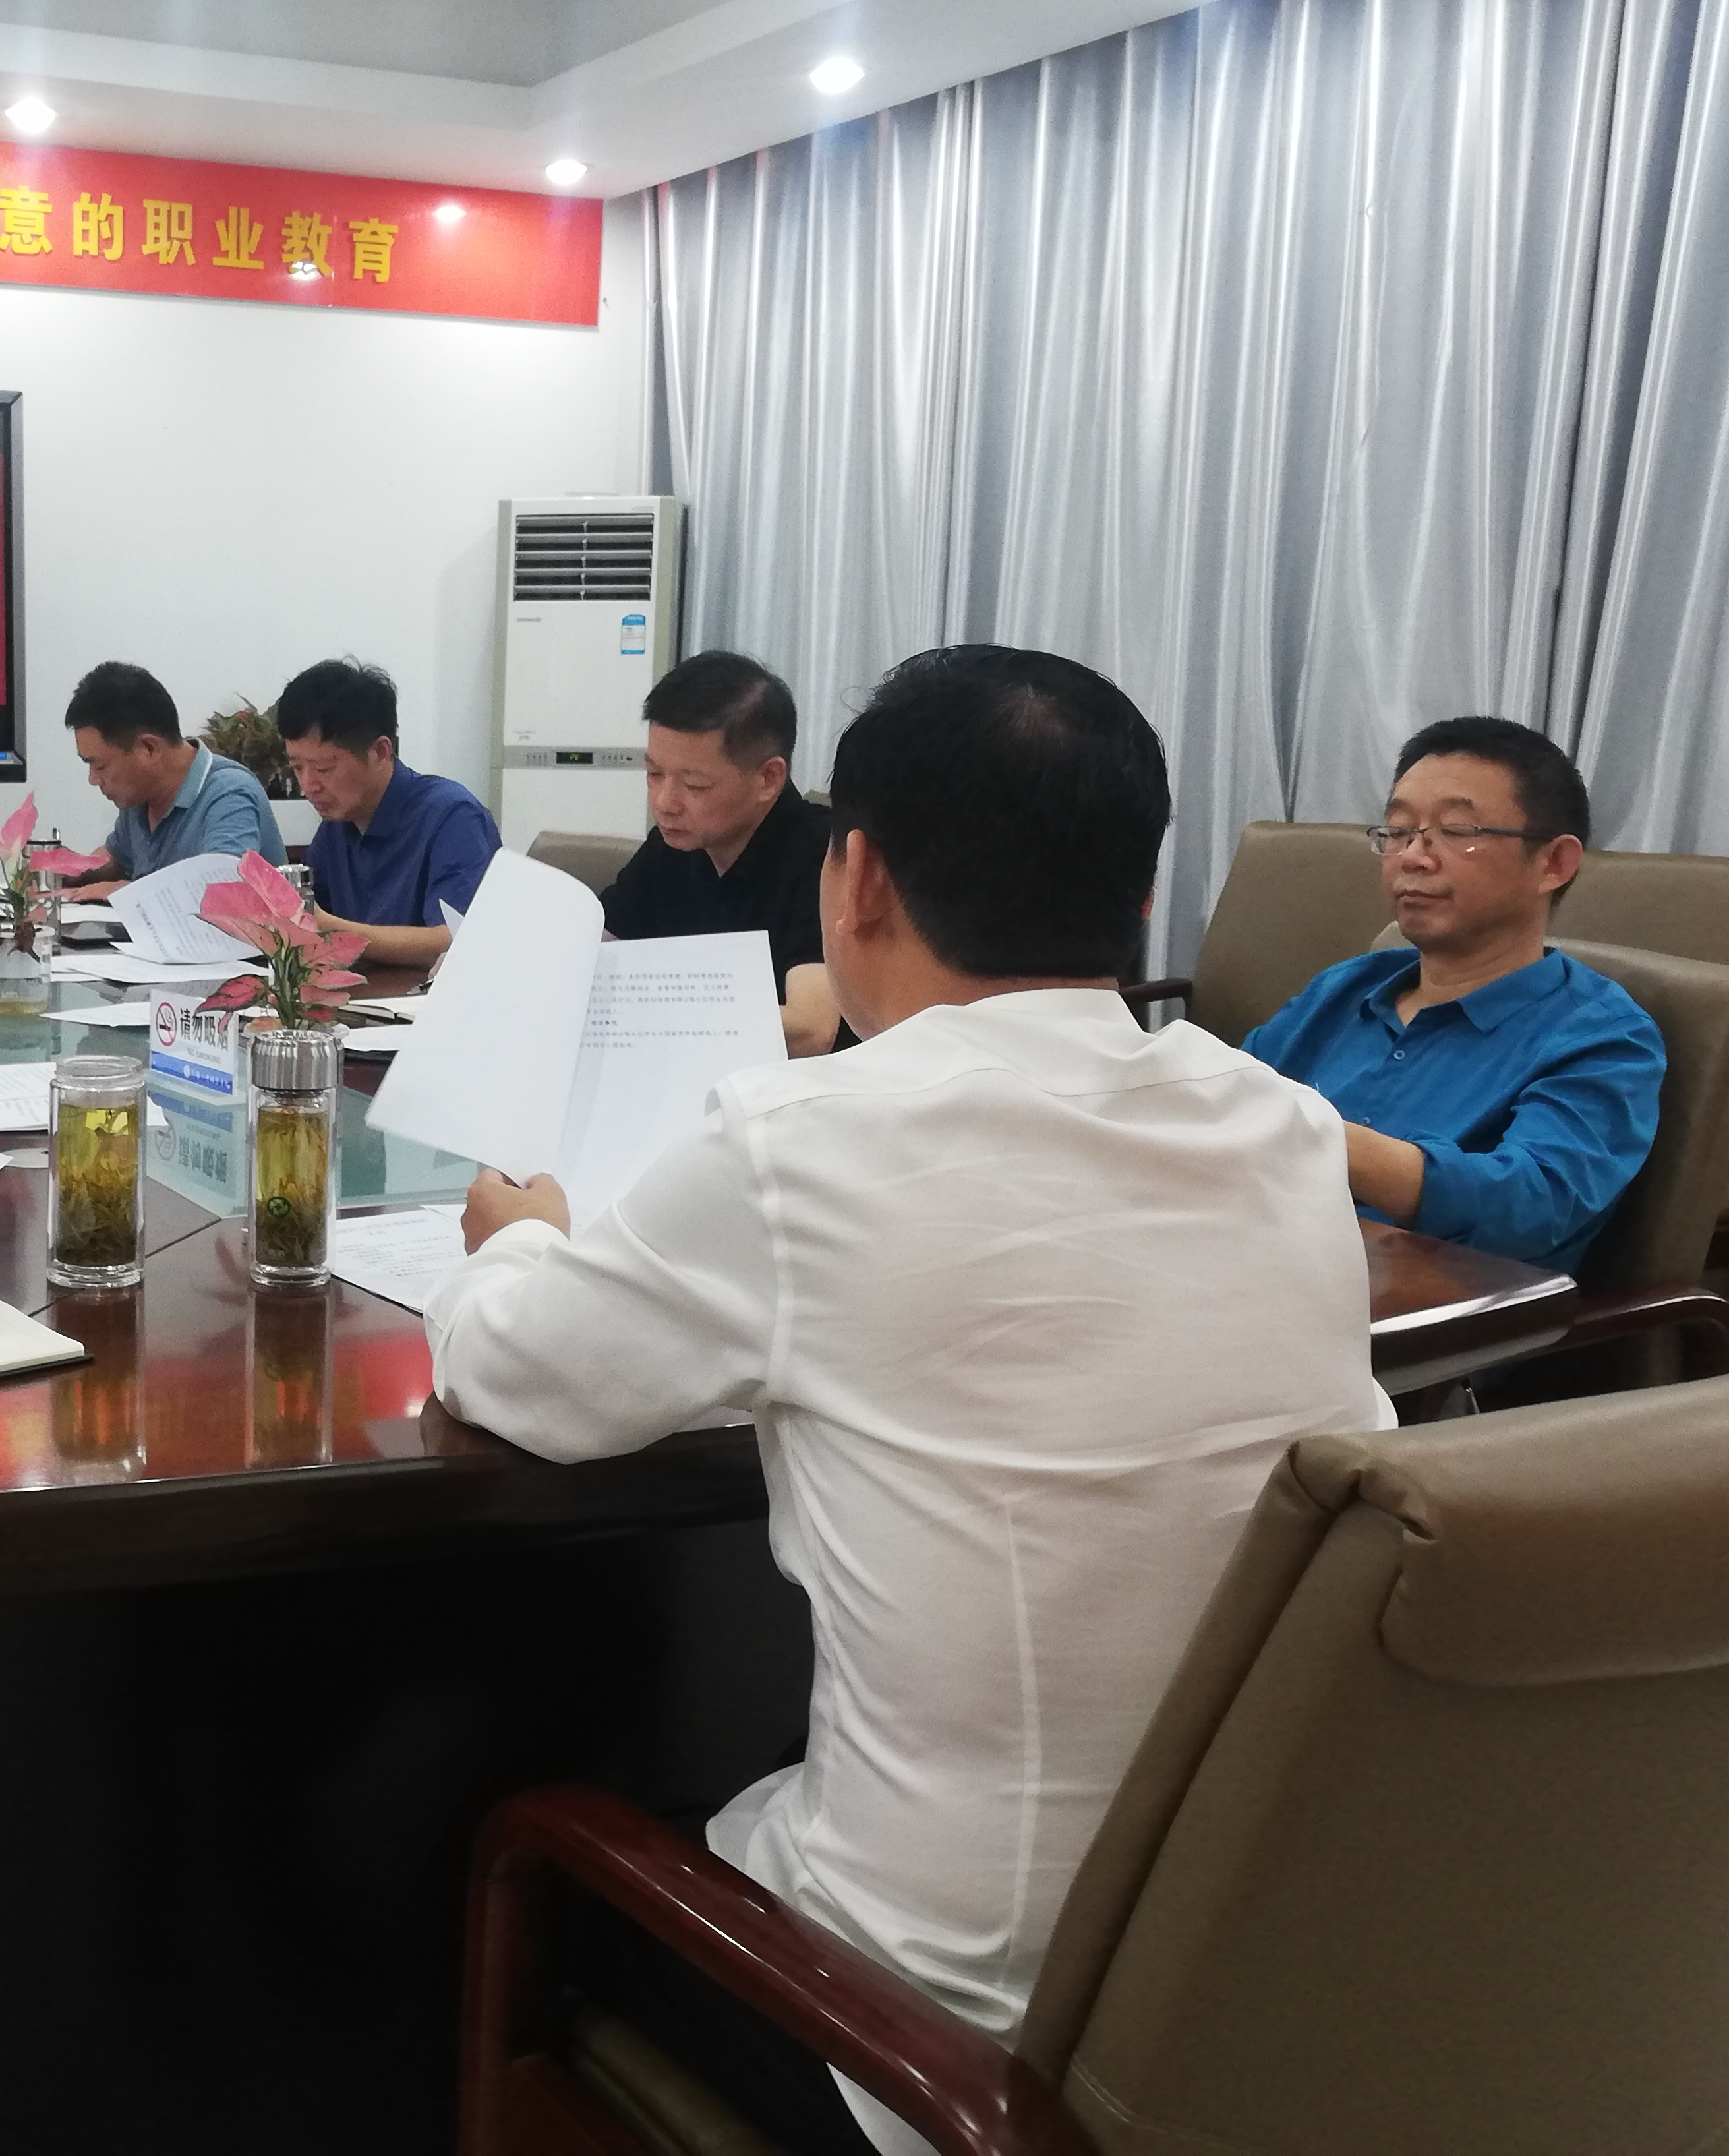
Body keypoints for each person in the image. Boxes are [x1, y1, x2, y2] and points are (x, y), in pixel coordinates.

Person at [423, 645, 1386, 2156]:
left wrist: (518, 1235)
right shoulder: (1289, 1130)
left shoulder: (801, 1143)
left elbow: (517, 1374)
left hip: (941, 2052)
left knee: (542, 1836)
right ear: (1142, 892)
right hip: (1257, 1999)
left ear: (854, 874)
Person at [1244, 718, 1662, 1273]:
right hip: (1252, 1256)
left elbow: (1535, 1205)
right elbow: (1230, 1095)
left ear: (1554, 863)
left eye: (1457, 831)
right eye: (1398, 831)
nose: (1413, 857)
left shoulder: (1604, 1037)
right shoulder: (1347, 987)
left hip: (1424, 1305)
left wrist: (1318, 1134)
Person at [601, 650, 840, 1056]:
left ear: (768, 778)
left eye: (694, 785)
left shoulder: (824, 856)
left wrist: (651, 1017)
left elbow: (812, 1029)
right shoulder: (672, 845)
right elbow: (600, 946)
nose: (664, 803)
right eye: (654, 774)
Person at [275, 655, 500, 967]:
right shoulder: (337, 823)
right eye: (297, 768)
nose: (308, 786)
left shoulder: (452, 816)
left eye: (323, 768)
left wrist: (328, 927)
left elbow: (455, 939)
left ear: (380, 752)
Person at [55, 661, 285, 900]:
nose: (93, 779)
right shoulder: (139, 796)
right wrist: (76, 869)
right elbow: (117, 858)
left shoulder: (229, 793)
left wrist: (127, 892)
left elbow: (224, 890)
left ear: (149, 749)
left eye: (100, 765)